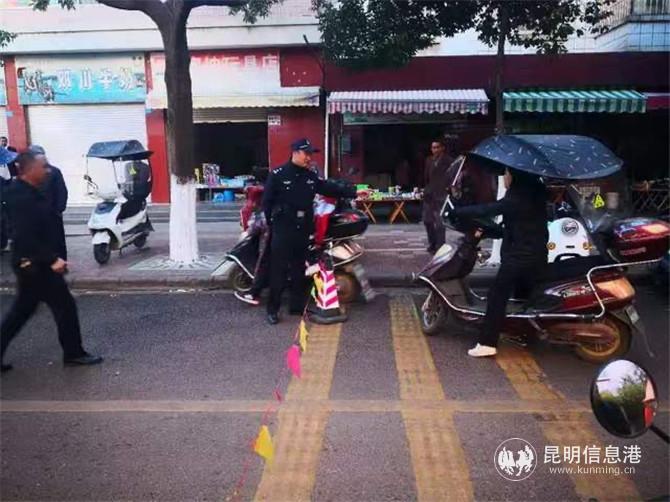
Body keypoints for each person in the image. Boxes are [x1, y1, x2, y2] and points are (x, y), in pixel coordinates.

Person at [1, 152, 103, 372]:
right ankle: (74, 353)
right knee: (62, 307)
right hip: (34, 265)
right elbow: (25, 236)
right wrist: (52, 259)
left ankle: (74, 352)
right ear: (29, 170)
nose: (47, 171)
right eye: (43, 167)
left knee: (22, 313)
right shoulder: (20, 196)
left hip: (35, 263)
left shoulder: (31, 191)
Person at [451, 168, 548, 358]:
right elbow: (516, 226)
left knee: (497, 296)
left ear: (516, 175)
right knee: (523, 297)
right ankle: (523, 333)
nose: (504, 178)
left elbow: (491, 209)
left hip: (519, 256)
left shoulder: (518, 196)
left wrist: (459, 211)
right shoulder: (534, 190)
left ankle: (487, 343)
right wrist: (491, 231)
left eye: (506, 174)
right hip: (534, 252)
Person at [261, 138, 356, 325]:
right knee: (279, 271)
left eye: (311, 154)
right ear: (295, 153)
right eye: (306, 154)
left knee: (299, 270)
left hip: (303, 228)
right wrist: (274, 225)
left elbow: (328, 187)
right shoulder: (278, 175)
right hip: (283, 229)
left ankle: (296, 307)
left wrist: (353, 192)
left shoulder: (310, 176)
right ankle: (273, 310)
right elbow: (267, 203)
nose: (309, 158)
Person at [28, 145, 68, 260]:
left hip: (52, 214)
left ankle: (60, 262)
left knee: (57, 242)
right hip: (35, 215)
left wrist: (58, 210)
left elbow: (62, 191)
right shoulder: (28, 173)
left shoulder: (54, 172)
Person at [423, 138, 456, 254]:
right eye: (433, 148)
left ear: (442, 148)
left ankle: (440, 246)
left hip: (442, 194)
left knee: (440, 223)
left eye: (437, 147)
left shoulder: (449, 161)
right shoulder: (429, 160)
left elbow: (453, 177)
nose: (435, 150)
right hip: (429, 194)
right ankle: (432, 243)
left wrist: (450, 189)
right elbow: (426, 177)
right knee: (427, 220)